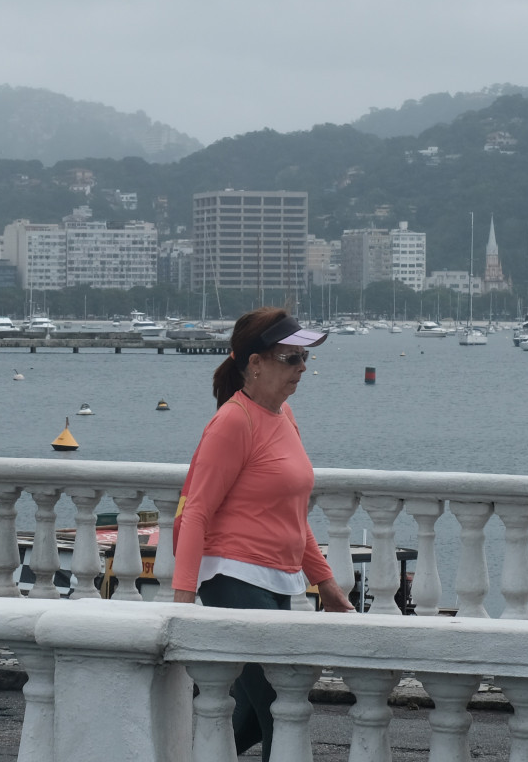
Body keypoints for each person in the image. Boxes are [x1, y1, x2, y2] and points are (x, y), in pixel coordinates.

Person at [172, 307, 352, 755]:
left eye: (304, 357)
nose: (302, 367)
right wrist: (182, 605)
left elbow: (293, 517)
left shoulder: (284, 416)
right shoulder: (234, 421)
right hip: (232, 578)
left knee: (254, 714)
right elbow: (196, 513)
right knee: (282, 706)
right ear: (255, 363)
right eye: (291, 358)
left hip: (277, 580)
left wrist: (327, 585)